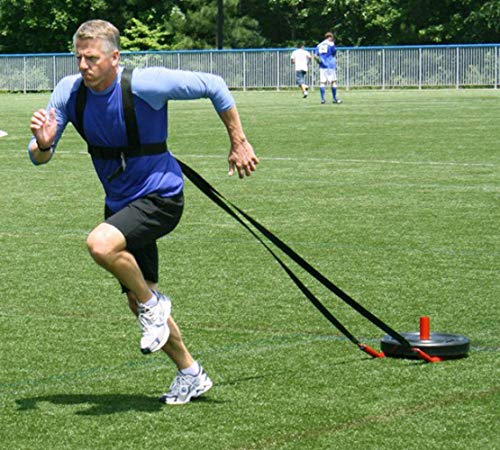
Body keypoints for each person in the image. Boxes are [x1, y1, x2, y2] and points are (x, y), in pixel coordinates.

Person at [28, 20, 259, 405]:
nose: (84, 66)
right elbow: (37, 157)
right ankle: (190, 373)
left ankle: (155, 307)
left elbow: (215, 86)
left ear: (114, 57)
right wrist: (44, 145)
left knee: (101, 245)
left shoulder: (145, 83)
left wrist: (238, 141)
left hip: (162, 197)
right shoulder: (70, 92)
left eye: (93, 58)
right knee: (137, 297)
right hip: (121, 203)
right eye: (79, 58)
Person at [314, 32, 342, 104]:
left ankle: (323, 99)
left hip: (322, 66)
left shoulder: (319, 45)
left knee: (322, 82)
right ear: (330, 37)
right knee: (333, 82)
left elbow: (315, 56)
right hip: (330, 65)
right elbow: (334, 53)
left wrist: (319, 61)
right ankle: (334, 98)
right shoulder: (331, 44)